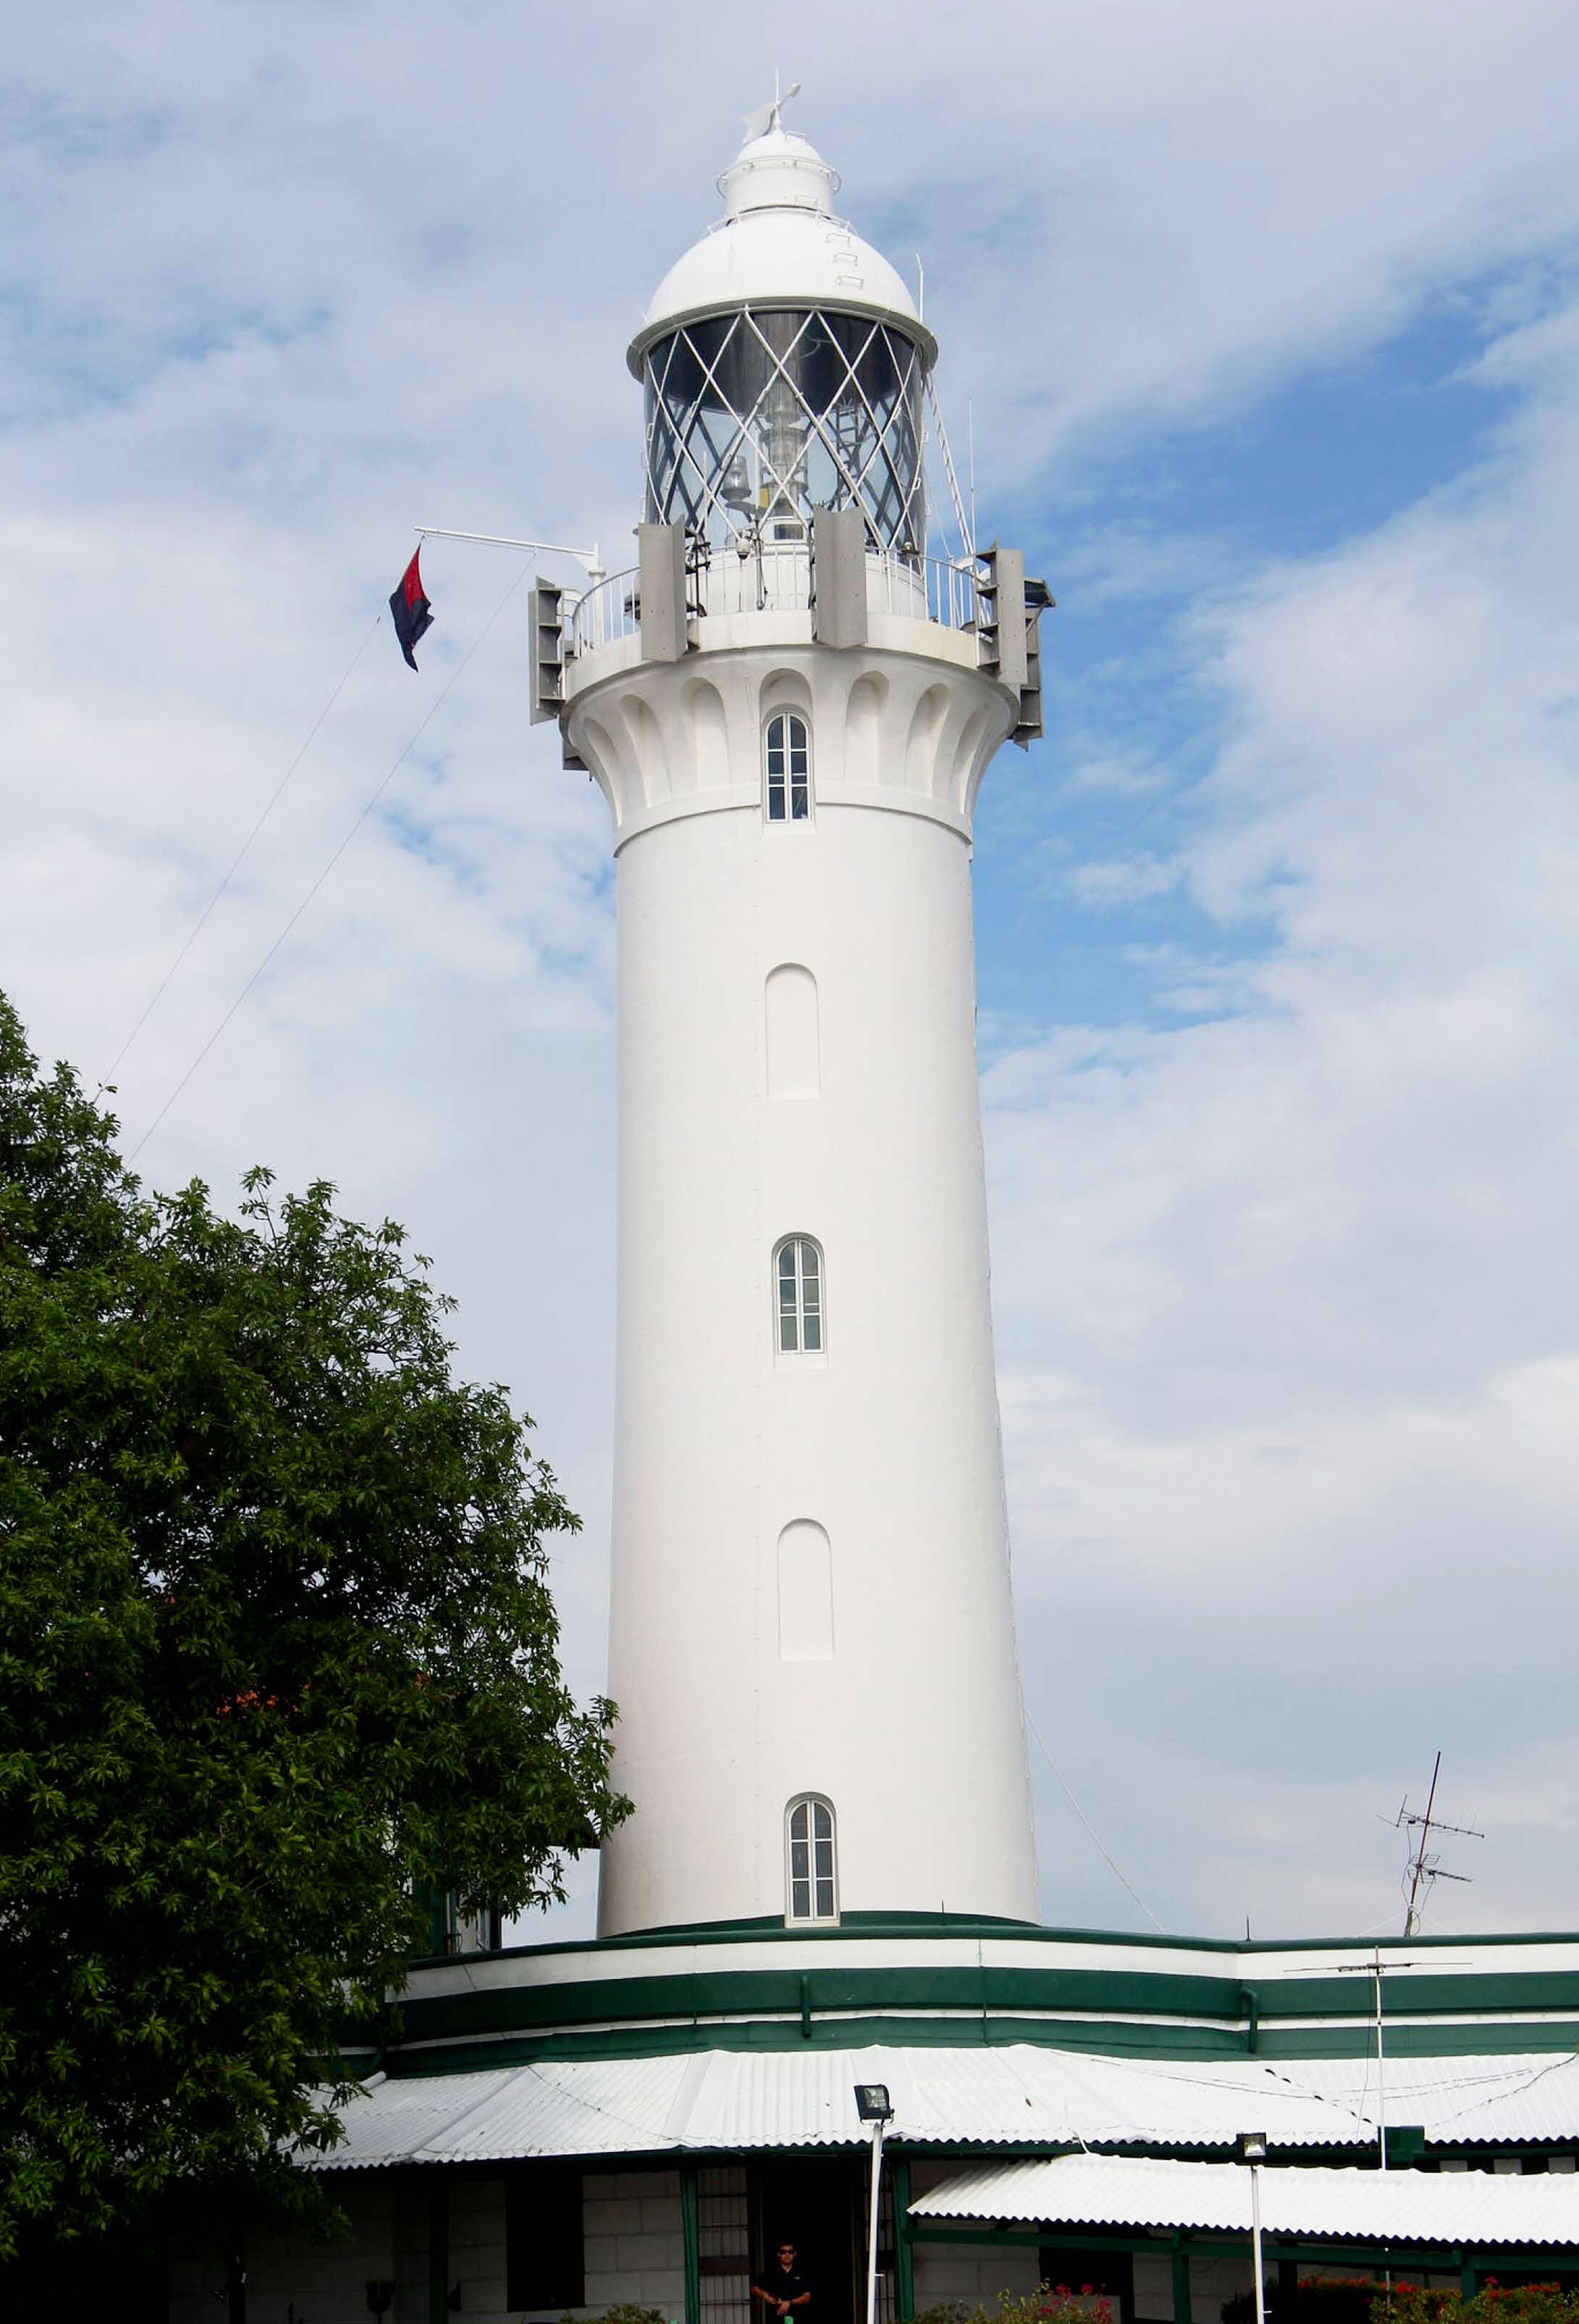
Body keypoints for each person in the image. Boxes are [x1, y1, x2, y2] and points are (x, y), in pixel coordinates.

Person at [753, 2242, 811, 2320]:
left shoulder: (802, 2273)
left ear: (794, 2254)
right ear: (779, 2255)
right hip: (775, 2317)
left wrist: (789, 2303)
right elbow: (754, 2288)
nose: (787, 2255)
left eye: (790, 2252)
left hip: (798, 2317)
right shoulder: (770, 2273)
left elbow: (807, 2297)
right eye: (783, 2252)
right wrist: (765, 2296)